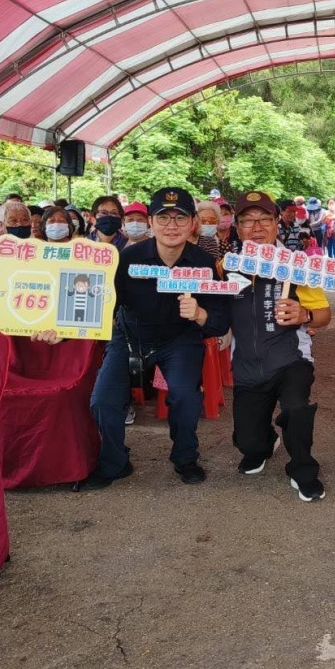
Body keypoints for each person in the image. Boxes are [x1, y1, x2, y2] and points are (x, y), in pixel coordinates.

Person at [87, 188, 230, 489]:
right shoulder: (128, 259)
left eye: (180, 218)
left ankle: (185, 458)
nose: (171, 226)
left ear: (192, 223)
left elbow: (219, 321)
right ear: (150, 222)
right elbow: (103, 306)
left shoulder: (204, 263)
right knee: (103, 399)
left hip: (179, 340)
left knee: (186, 397)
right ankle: (114, 462)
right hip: (130, 337)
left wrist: (200, 314)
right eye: (163, 218)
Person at [224, 191, 331, 502]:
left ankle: (303, 469)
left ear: (276, 224)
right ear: (237, 227)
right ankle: (265, 441)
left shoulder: (298, 266)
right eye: (247, 221)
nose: (256, 228)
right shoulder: (226, 266)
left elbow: (324, 315)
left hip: (290, 359)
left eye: (264, 220)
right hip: (246, 364)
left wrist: (305, 314)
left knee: (297, 408)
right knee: (249, 443)